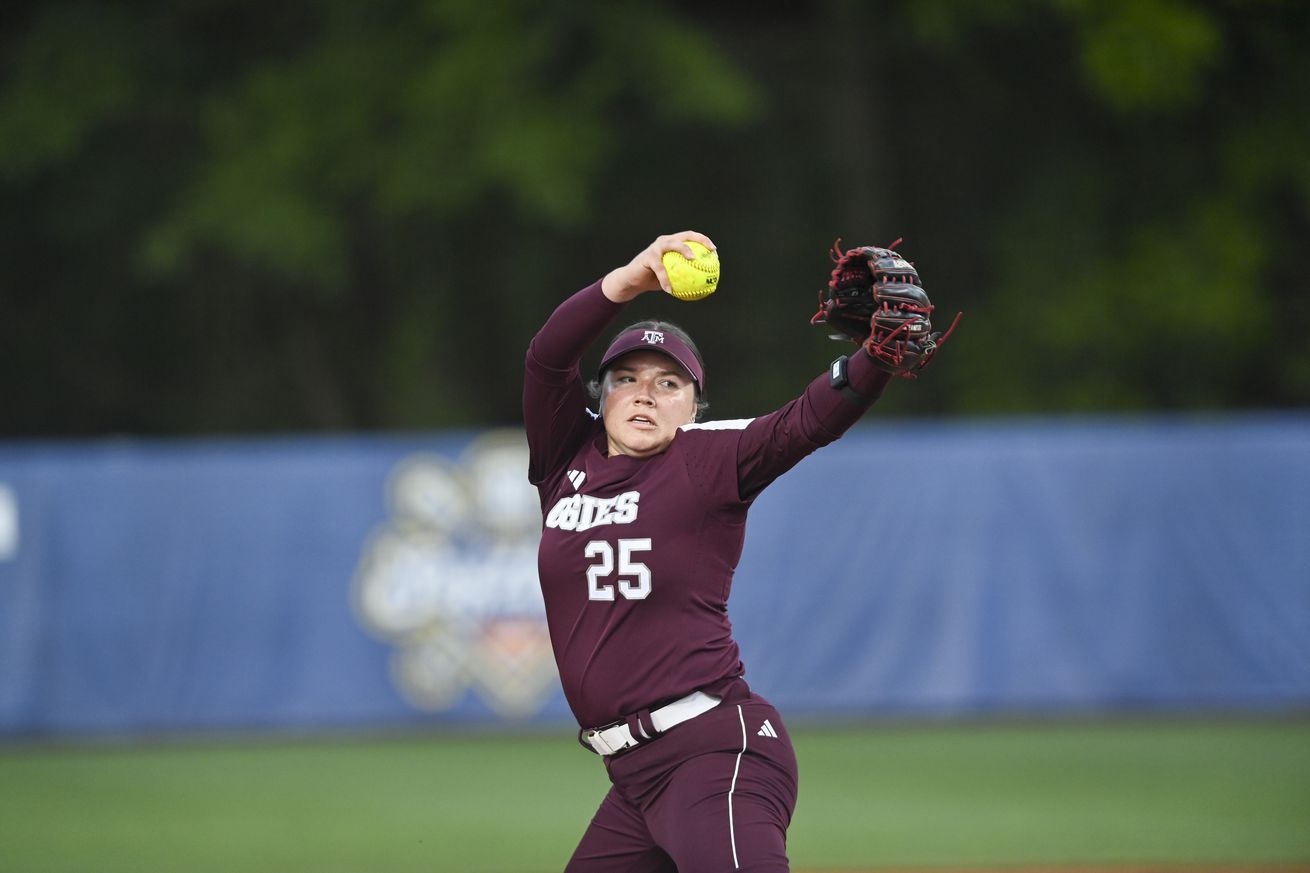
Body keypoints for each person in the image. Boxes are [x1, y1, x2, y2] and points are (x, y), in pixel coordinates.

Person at [523, 232, 896, 872]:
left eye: (670, 383)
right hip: (634, 779)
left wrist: (877, 356)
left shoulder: (706, 459)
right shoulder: (565, 459)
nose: (645, 393)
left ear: (695, 408)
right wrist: (631, 277)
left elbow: (805, 420)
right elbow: (547, 357)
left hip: (714, 753)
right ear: (601, 396)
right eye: (626, 378)